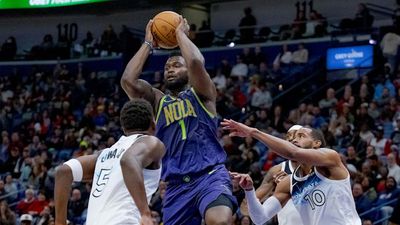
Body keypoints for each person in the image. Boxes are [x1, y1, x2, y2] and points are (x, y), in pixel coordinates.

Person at [120, 16, 237, 225]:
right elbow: (128, 81)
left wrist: (180, 34)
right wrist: (148, 43)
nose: (170, 69)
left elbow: (194, 61)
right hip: (176, 186)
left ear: (188, 72)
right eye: (167, 67)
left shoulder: (203, 93)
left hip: (209, 175)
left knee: (219, 221)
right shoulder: (157, 100)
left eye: (176, 65)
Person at [222, 119, 361, 225]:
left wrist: (253, 132)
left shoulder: (331, 158)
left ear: (316, 143)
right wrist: (249, 190)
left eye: (301, 136)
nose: (294, 139)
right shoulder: (288, 183)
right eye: (293, 137)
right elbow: (260, 218)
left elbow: (293, 153)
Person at [54, 99, 165, 225]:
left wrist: (60, 222)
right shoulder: (151, 142)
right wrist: (145, 213)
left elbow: (63, 172)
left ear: (123, 127)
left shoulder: (104, 155)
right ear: (153, 124)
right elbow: (128, 161)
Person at [240, 125, 304, 225]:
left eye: (298, 136)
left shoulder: (321, 166)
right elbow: (245, 209)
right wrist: (250, 191)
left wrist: (290, 184)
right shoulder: (277, 171)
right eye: (289, 138)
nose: (293, 141)